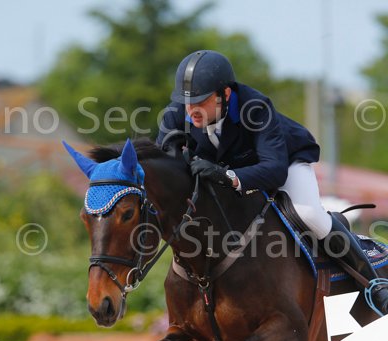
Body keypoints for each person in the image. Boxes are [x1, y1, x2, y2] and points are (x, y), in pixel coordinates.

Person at [157, 50, 388, 316]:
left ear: (225, 94)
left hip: (285, 162)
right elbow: (165, 166)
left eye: (200, 101)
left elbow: (275, 170)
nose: (191, 110)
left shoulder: (256, 107)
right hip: (230, 170)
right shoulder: (178, 113)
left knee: (308, 214)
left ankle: (376, 284)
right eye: (186, 102)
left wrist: (227, 177)